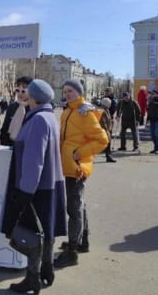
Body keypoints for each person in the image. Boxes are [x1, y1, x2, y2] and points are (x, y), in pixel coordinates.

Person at [0, 79, 67, 294]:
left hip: (36, 187)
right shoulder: (49, 117)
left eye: (27, 93)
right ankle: (47, 269)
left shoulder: (38, 120)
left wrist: (24, 192)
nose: (23, 95)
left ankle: (32, 278)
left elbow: (34, 159)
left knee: (31, 232)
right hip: (51, 183)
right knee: (45, 229)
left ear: (35, 98)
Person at [54, 79, 108, 268]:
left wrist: (79, 154)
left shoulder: (85, 112)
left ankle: (72, 252)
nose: (67, 93)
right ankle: (82, 242)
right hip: (68, 165)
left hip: (76, 167)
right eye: (65, 90)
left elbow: (102, 140)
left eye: (71, 91)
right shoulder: (67, 110)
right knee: (79, 206)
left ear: (79, 92)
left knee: (74, 209)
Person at [0, 76, 33, 146]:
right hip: (10, 147)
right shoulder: (12, 107)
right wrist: (5, 145)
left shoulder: (33, 108)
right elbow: (4, 129)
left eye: (24, 90)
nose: (20, 93)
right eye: (18, 90)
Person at [147, 90, 158, 155]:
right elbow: (149, 111)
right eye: (151, 94)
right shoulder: (151, 101)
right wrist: (148, 119)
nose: (152, 95)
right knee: (152, 135)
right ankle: (155, 148)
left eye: (153, 94)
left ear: (157, 94)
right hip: (152, 120)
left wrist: (151, 101)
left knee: (157, 134)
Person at [99, 97, 116, 162]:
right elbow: (103, 122)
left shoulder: (107, 110)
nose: (110, 105)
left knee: (108, 144)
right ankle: (108, 156)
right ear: (106, 104)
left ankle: (108, 157)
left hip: (107, 129)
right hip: (104, 130)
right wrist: (106, 130)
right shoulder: (102, 111)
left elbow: (108, 119)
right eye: (109, 104)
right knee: (106, 143)